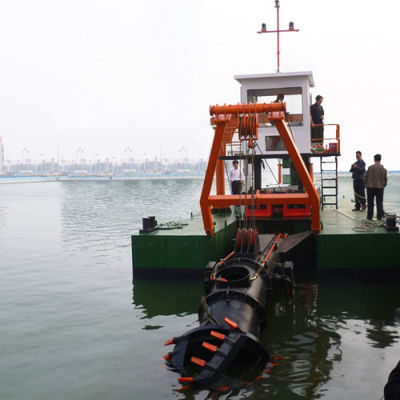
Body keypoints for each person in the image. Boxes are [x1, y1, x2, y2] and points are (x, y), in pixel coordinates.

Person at [364, 154, 387, 220]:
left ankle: (369, 217)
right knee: (379, 203)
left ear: (374, 159)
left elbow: (365, 177)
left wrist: (366, 184)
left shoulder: (370, 168)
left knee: (370, 203)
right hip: (380, 188)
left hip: (370, 187)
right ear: (380, 159)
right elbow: (385, 180)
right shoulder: (384, 169)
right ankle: (379, 217)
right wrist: (383, 185)